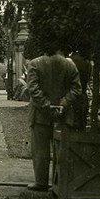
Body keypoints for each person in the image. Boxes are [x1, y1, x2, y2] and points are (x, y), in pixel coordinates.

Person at [27, 46, 81, 191]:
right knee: (61, 151)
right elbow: (76, 88)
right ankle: (59, 184)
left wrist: (46, 105)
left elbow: (33, 89)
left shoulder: (34, 63)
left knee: (40, 150)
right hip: (63, 115)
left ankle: (41, 182)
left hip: (40, 115)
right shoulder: (69, 64)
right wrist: (63, 103)